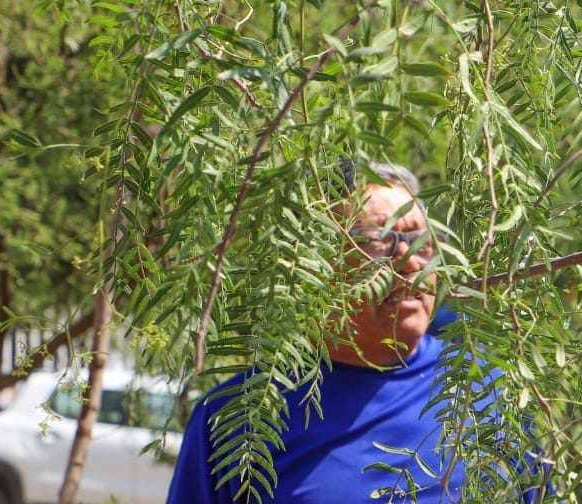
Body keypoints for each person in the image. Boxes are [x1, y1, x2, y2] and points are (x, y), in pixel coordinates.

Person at [168, 159, 524, 503]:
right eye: (377, 239)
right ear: (315, 266)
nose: (409, 260)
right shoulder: (238, 420)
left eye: (421, 239)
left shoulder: (491, 395)